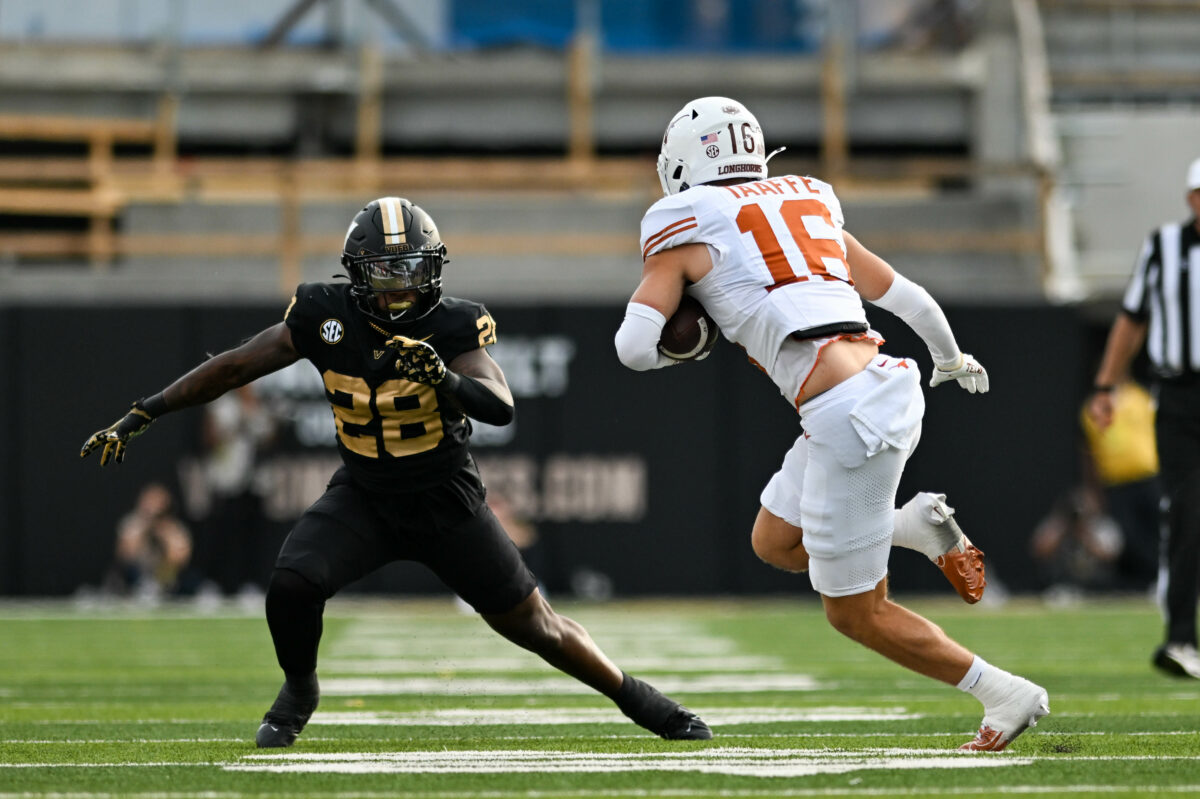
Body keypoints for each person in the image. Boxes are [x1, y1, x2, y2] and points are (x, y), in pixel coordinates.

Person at [82, 196, 711, 747]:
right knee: (292, 585)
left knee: (536, 625)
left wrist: (444, 375)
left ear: (433, 268)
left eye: (412, 270)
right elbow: (236, 366)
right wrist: (145, 411)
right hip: (365, 494)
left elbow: (499, 405)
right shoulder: (323, 316)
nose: (401, 286)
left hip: (445, 501)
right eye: (385, 273)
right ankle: (299, 692)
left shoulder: (455, 324)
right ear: (356, 277)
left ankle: (644, 702)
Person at [615, 97, 1047, 752]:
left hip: (847, 415)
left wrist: (690, 334)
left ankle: (1004, 692)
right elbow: (907, 296)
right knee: (775, 541)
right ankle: (915, 524)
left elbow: (633, 347)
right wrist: (950, 358)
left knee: (855, 613)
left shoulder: (680, 224)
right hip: (883, 384)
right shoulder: (807, 200)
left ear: (678, 164)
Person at [1086, 157, 1200, 680]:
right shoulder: (1163, 248)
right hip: (1178, 396)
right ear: (1191, 199)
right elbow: (1131, 320)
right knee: (1185, 511)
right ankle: (1180, 638)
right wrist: (1107, 385)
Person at [104, 481, 193, 600]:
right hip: (136, 577)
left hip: (164, 580)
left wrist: (165, 535)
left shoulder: (174, 527)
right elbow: (124, 556)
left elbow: (182, 558)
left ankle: (156, 588)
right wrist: (144, 528)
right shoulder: (132, 523)